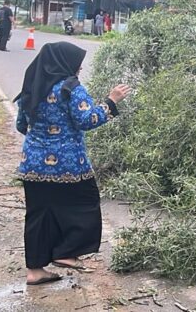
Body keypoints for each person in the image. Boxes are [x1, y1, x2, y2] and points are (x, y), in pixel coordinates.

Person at [14, 42, 131, 286]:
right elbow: (87, 120)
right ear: (64, 63)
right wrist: (111, 101)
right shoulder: (70, 88)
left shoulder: (31, 88)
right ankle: (67, 252)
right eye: (77, 63)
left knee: (38, 215)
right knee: (85, 204)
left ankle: (35, 271)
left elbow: (21, 125)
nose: (79, 68)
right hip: (69, 165)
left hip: (32, 165)